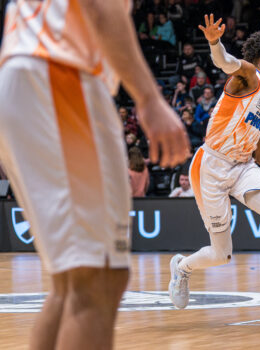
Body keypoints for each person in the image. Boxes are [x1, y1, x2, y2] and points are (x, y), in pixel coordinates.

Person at [0, 1, 189, 349]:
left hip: (27, 74)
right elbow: (102, 8)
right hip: (59, 73)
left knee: (74, 281)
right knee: (98, 280)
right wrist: (148, 99)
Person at [168, 15, 260, 318]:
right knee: (221, 254)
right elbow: (225, 61)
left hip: (242, 166)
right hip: (211, 165)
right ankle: (182, 267)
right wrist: (214, 42)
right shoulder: (249, 75)